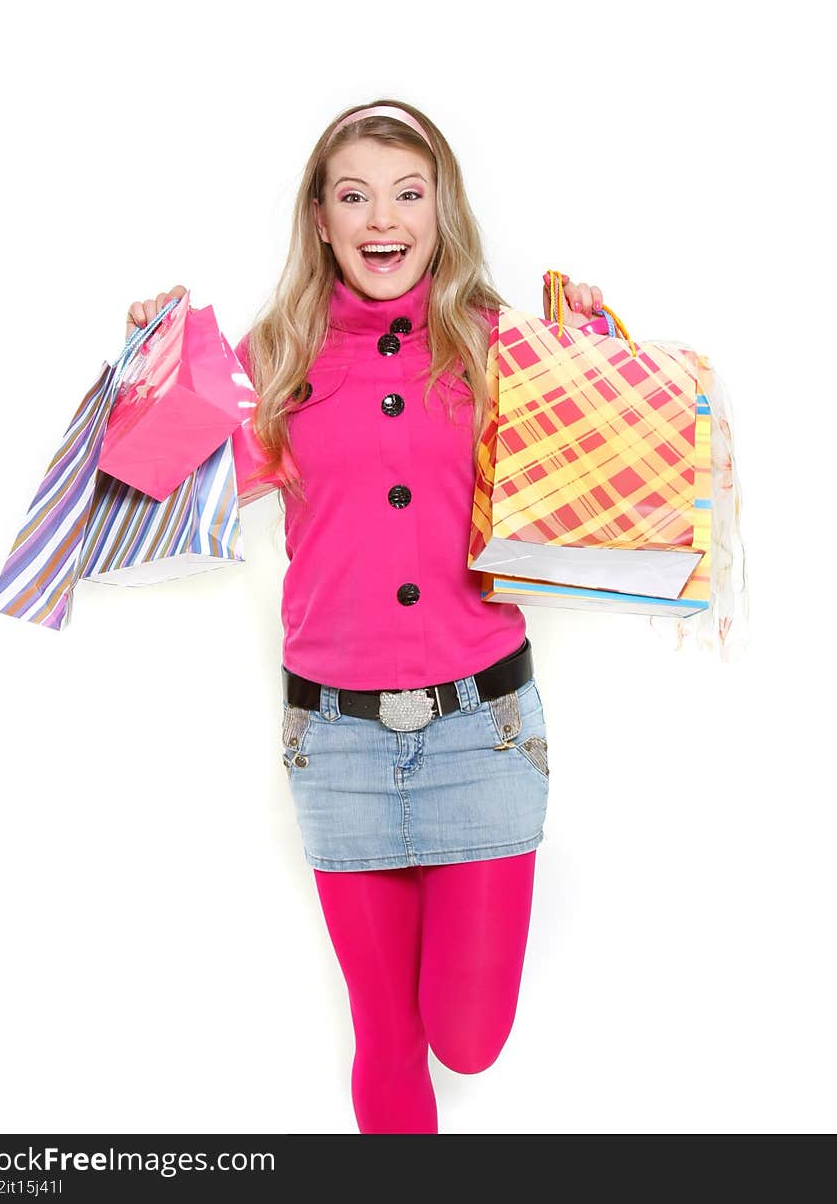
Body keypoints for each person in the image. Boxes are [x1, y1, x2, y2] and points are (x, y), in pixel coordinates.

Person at [125, 100, 607, 1135]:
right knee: (385, 1035)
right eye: (354, 195)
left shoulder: (500, 348)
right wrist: (151, 369)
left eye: (406, 192)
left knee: (467, 1037)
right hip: (335, 739)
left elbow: (597, 489)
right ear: (321, 217)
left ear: (440, 212)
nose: (381, 217)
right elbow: (152, 479)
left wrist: (598, 354)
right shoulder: (278, 355)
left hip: (482, 728)